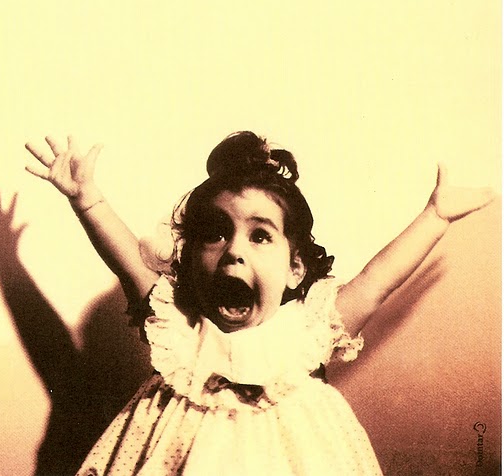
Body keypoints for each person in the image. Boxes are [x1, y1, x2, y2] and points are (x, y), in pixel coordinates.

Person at [24, 131, 494, 475]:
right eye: (215, 233)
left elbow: (376, 282)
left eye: (260, 235)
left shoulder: (308, 330)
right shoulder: (179, 328)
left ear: (295, 268)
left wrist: (434, 217)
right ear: (189, 258)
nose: (234, 250)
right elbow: (128, 261)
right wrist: (88, 201)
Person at [0, 192, 152, 475]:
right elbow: (51, 342)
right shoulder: (86, 398)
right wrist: (9, 269)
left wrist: (9, 268)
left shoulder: (83, 398)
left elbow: (52, 345)